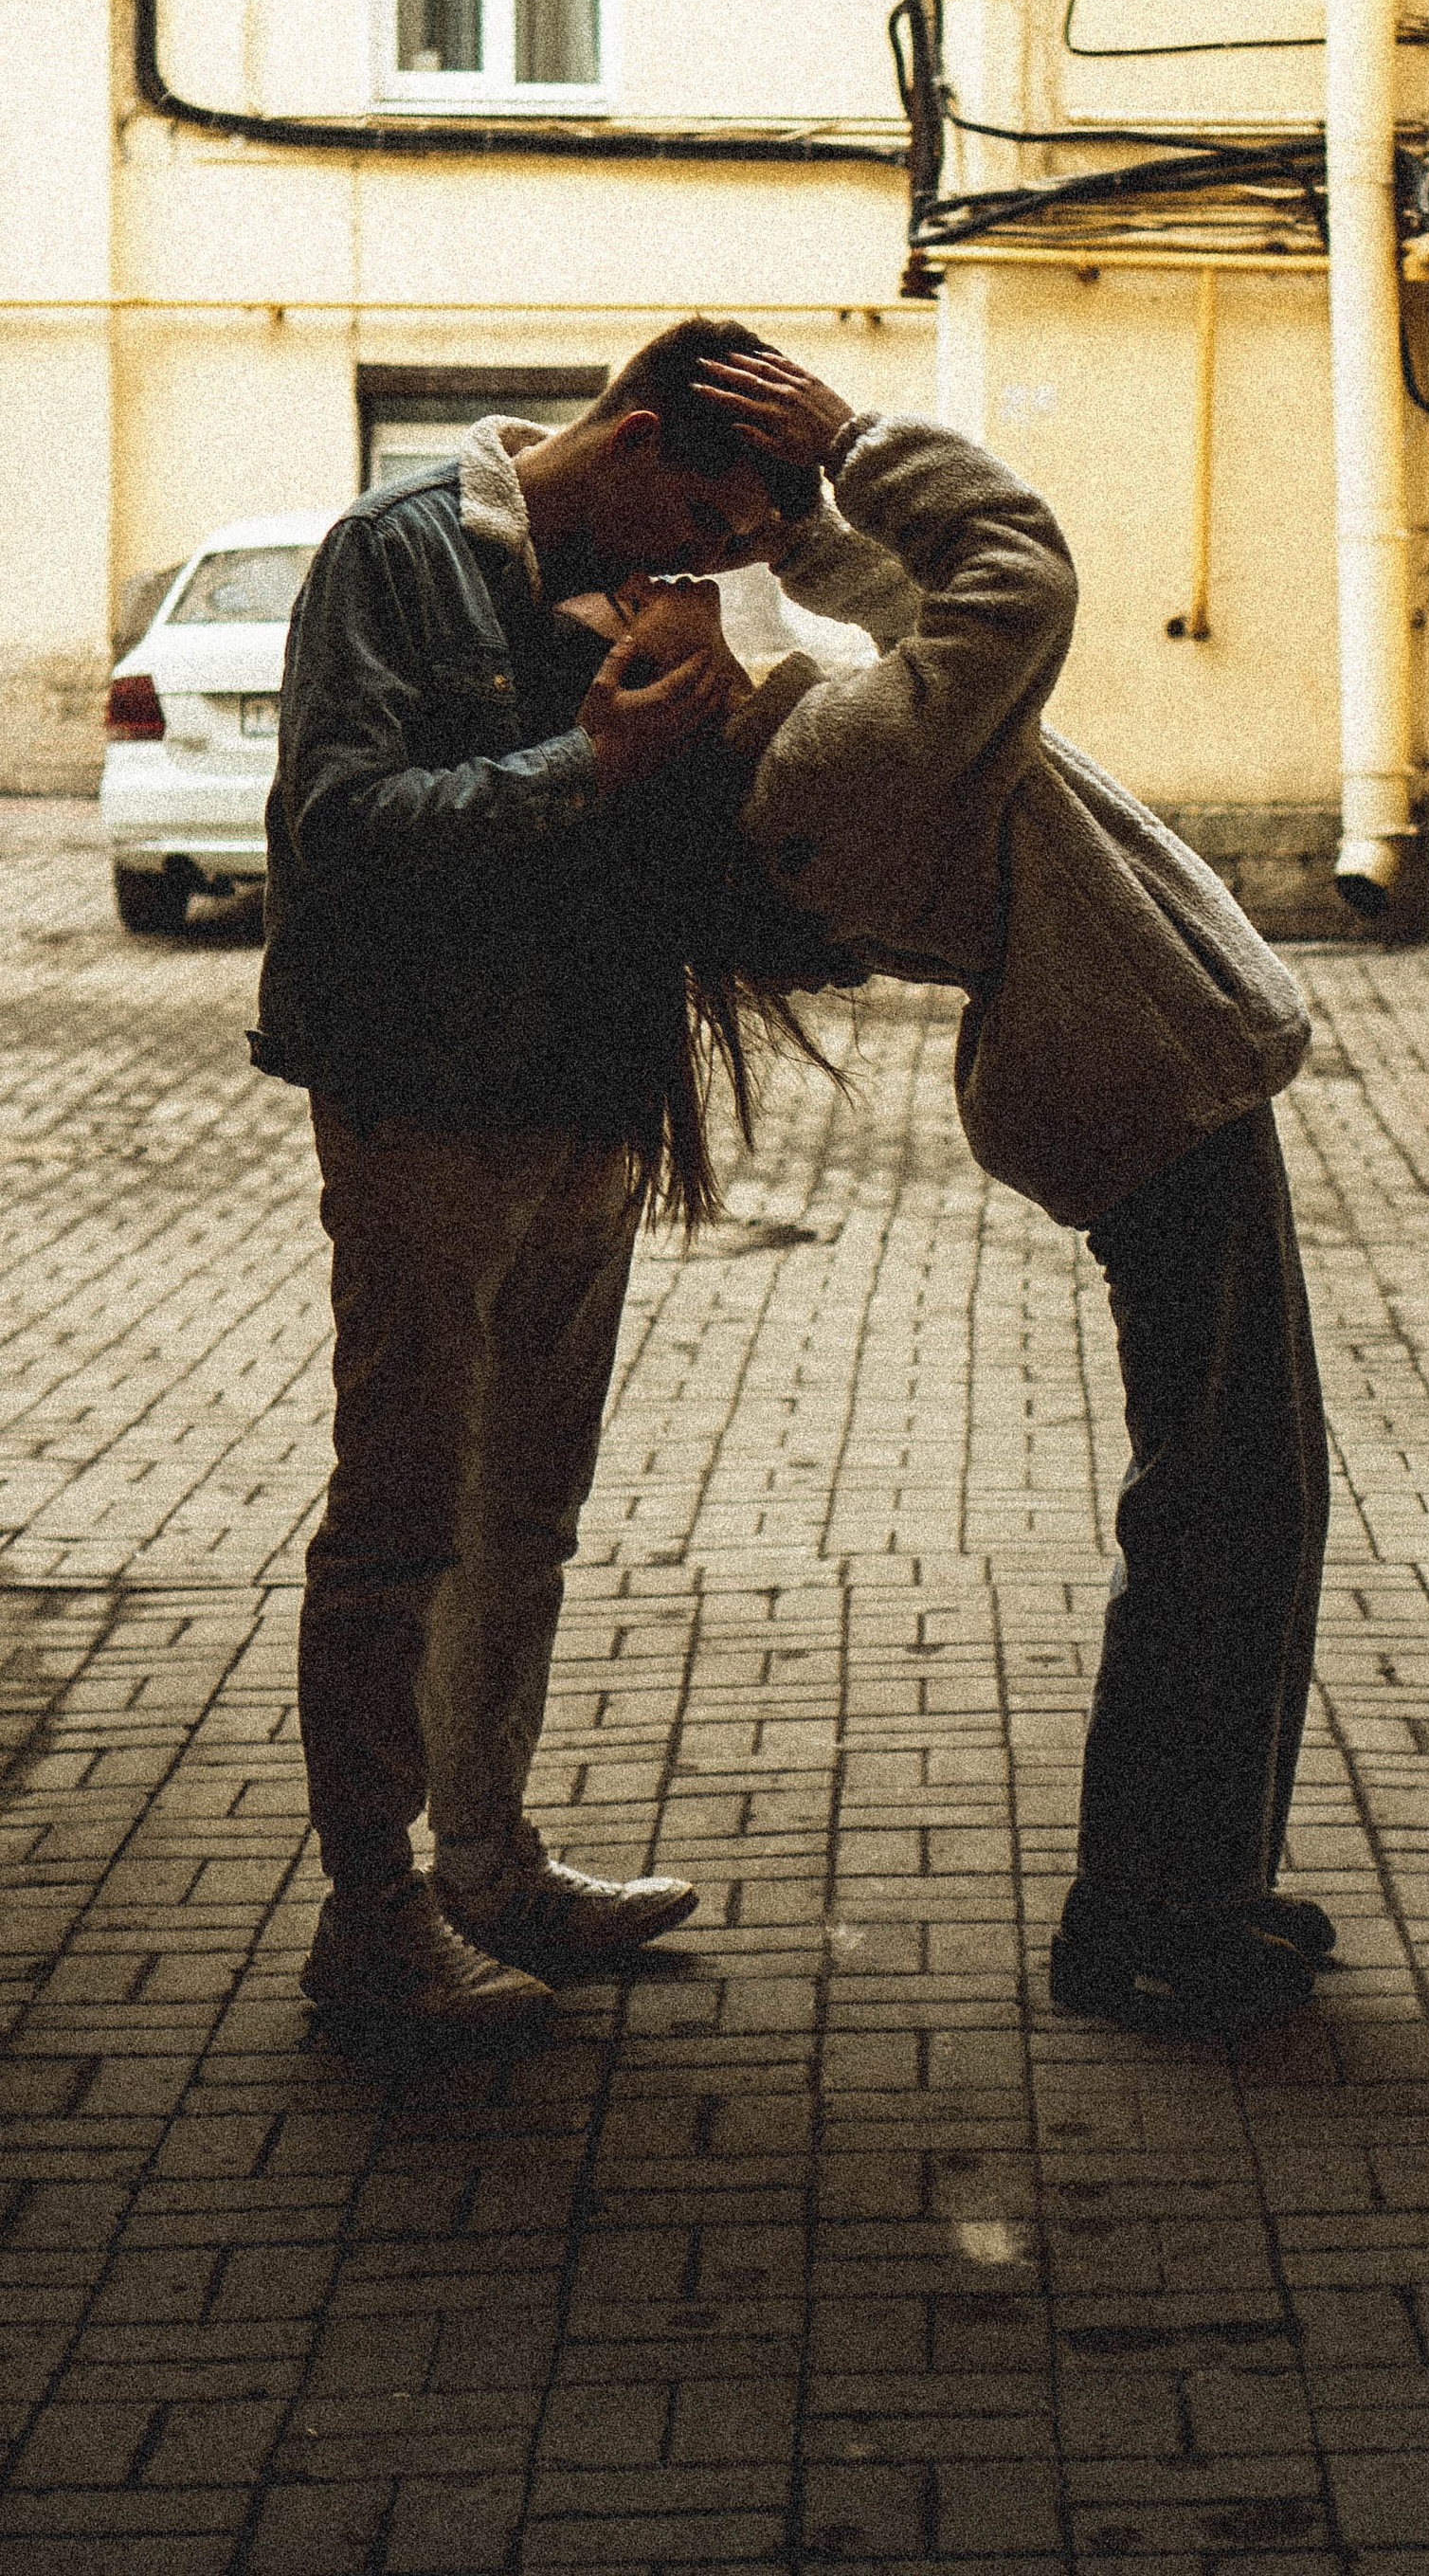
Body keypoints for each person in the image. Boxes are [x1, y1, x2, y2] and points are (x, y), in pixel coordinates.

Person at [648, 343, 1333, 2040]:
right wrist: (858, 442)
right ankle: (1149, 1912)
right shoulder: (815, 771)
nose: (670, 595)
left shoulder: (808, 753)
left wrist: (804, 533)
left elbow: (920, 629)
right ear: (647, 706)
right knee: (1221, 1507)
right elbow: (1011, 584)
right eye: (636, 617)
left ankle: (1194, 1884)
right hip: (1146, 1086)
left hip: (1139, 1079)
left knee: (1244, 1494)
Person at [254, 318, 816, 2045]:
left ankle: (489, 1868)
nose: (705, 566)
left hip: (587, 1102)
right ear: (635, 440)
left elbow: (701, 860)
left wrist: (718, 718)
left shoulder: (635, 591)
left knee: (526, 1515)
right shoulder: (396, 552)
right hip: (424, 1105)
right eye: (704, 524)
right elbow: (343, 827)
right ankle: (370, 1917)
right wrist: (593, 762)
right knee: (399, 1517)